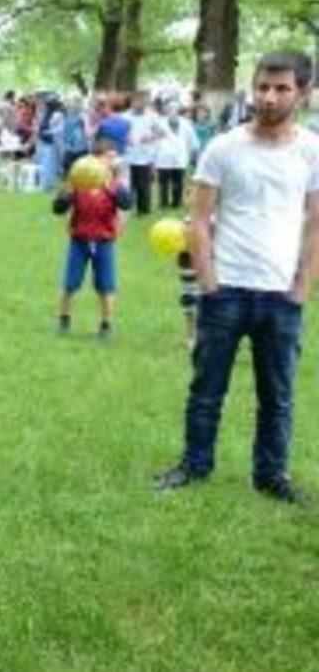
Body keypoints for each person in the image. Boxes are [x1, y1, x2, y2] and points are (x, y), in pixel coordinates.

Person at [155, 51, 319, 504]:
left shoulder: (312, 151)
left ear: (303, 93)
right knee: (206, 389)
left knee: (277, 396)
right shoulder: (224, 147)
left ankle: (271, 476)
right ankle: (194, 465)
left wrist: (302, 286)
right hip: (225, 289)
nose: (269, 97)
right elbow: (198, 219)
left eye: (282, 89)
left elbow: (316, 223)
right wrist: (209, 282)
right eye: (263, 87)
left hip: (281, 295)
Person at [54, 138, 132, 339]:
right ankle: (64, 319)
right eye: (109, 157)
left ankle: (106, 324)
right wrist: (66, 192)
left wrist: (112, 185)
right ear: (96, 159)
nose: (113, 161)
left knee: (106, 286)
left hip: (104, 241)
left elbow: (126, 203)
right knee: (70, 283)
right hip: (79, 241)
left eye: (114, 157)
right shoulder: (80, 181)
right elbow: (58, 208)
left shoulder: (112, 184)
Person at [155, 108, 198, 210]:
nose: (172, 112)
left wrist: (193, 152)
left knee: (178, 181)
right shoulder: (160, 123)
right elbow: (154, 138)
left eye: (174, 110)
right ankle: (164, 203)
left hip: (180, 156)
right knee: (164, 182)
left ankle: (176, 202)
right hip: (164, 156)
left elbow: (192, 140)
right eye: (170, 109)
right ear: (166, 111)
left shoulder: (185, 123)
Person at [125, 91, 160, 215]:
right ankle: (127, 207)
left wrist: (150, 137)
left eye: (143, 102)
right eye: (138, 101)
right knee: (129, 183)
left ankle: (143, 209)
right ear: (132, 102)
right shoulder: (125, 117)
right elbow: (121, 132)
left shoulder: (152, 116)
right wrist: (127, 137)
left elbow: (161, 132)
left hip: (145, 155)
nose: (140, 104)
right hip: (129, 155)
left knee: (143, 184)